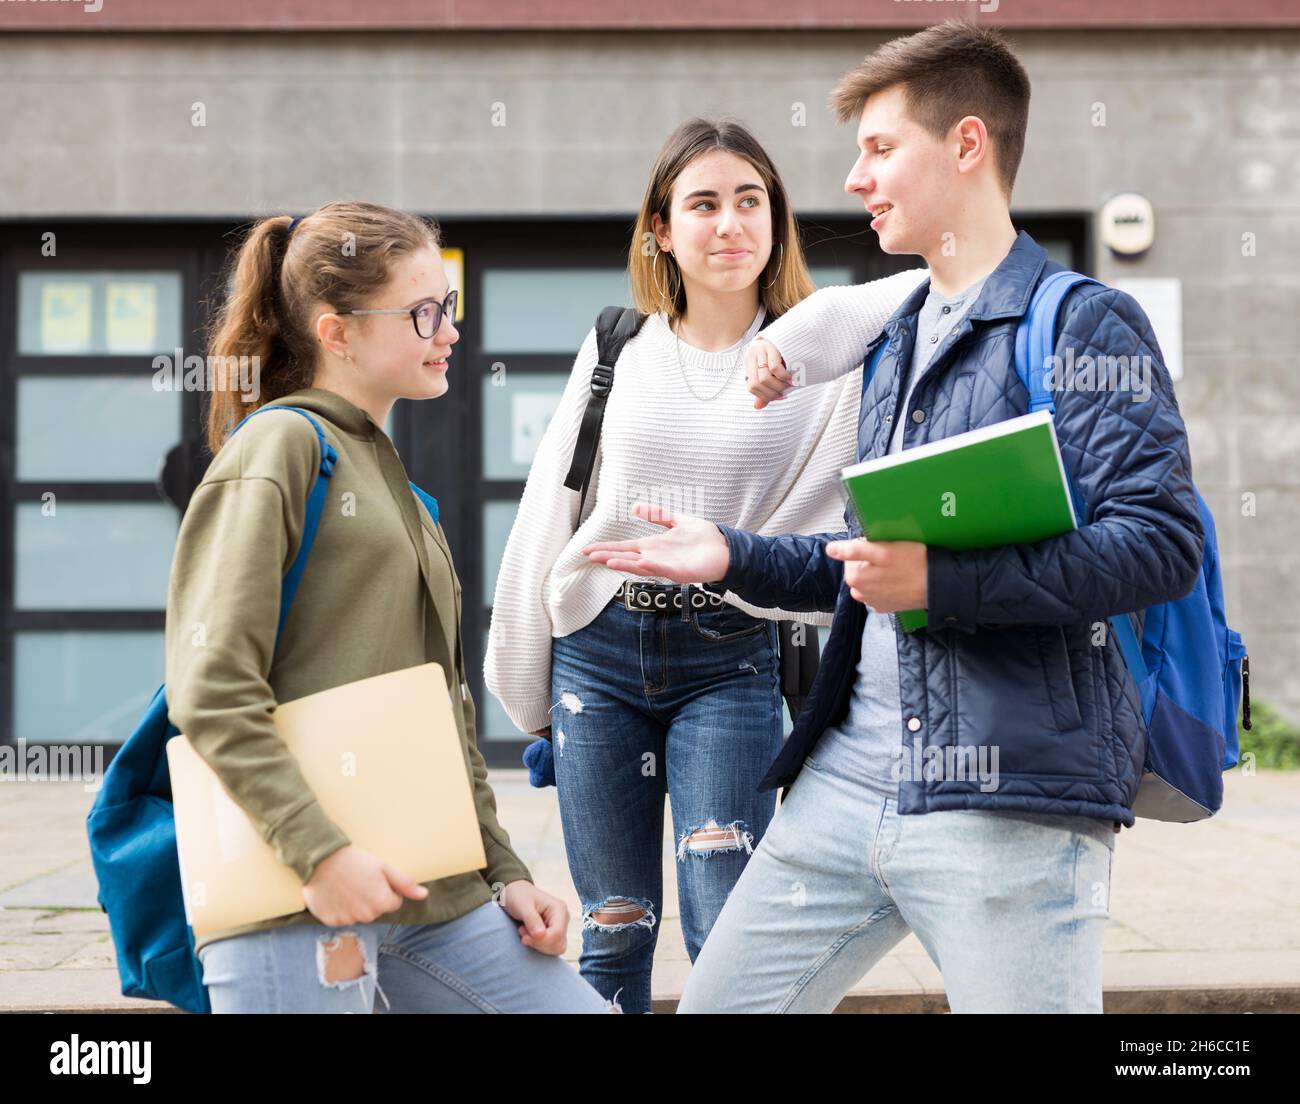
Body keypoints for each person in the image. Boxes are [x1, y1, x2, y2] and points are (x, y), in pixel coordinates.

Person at [583, 22, 1205, 1013]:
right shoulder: (898, 335)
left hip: (1006, 808)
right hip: (841, 792)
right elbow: (868, 565)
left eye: (878, 148)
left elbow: (1161, 542)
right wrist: (732, 555)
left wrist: (945, 583)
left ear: (965, 145)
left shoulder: (1084, 323)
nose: (854, 176)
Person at [483, 119, 925, 1013]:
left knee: (728, 931)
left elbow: (940, 280)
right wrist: (524, 690)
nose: (730, 224)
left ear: (777, 219)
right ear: (661, 228)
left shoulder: (827, 359)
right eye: (704, 204)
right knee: (613, 927)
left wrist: (799, 338)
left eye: (750, 202)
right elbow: (548, 512)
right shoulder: (618, 347)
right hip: (596, 653)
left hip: (730, 657)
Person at [166, 200, 609, 1013]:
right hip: (298, 894)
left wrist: (502, 869)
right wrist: (321, 855)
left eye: (449, 308)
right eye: (424, 312)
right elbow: (211, 686)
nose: (449, 331)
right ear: (336, 333)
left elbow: (444, 706)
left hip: (432, 888)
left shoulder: (400, 487)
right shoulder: (280, 449)